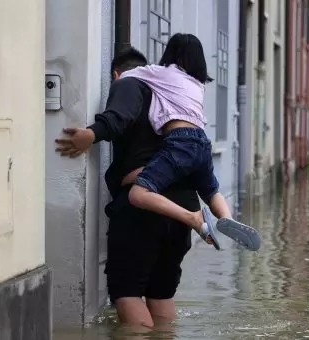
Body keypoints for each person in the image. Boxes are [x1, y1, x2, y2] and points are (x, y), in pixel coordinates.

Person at [58, 33, 261, 252]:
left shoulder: (161, 73)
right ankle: (227, 218)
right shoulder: (197, 85)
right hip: (202, 143)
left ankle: (193, 218)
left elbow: (128, 75)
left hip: (180, 142)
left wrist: (93, 131)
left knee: (137, 194)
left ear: (171, 54)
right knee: (211, 192)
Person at [56, 46, 200, 327]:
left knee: (127, 292)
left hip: (144, 207)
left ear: (116, 74)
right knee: (161, 293)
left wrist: (91, 134)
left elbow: (120, 115)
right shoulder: (172, 95)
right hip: (184, 206)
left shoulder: (129, 82)